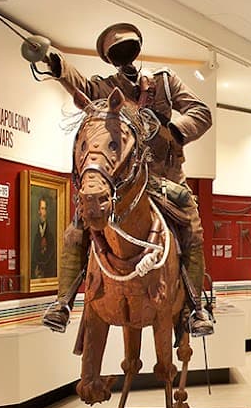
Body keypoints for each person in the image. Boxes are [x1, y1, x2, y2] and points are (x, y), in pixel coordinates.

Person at [33, 22, 214, 336]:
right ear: (110, 59)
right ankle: (63, 303)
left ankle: (195, 308)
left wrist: (173, 130)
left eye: (128, 48)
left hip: (162, 179)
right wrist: (56, 64)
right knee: (77, 226)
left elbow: (201, 112)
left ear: (137, 49)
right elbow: (80, 86)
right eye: (117, 52)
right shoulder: (105, 88)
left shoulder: (165, 82)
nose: (125, 56)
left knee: (192, 225)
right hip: (123, 183)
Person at [32, 197, 56, 279]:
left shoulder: (51, 232)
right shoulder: (34, 230)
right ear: (38, 211)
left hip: (48, 271)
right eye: (42, 209)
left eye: (45, 209)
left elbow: (51, 254)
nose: (44, 212)